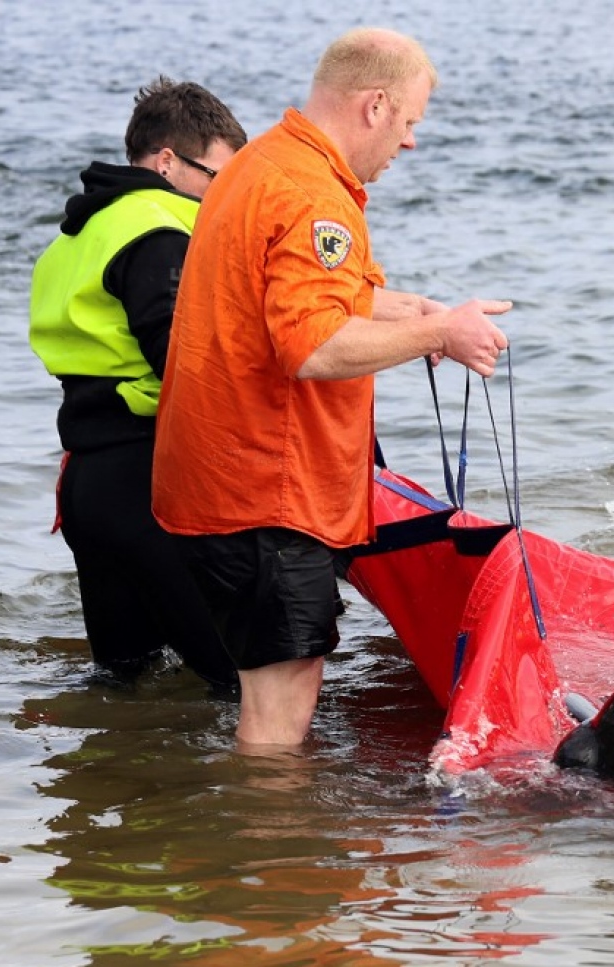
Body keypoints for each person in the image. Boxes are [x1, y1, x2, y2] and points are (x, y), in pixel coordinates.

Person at [152, 28, 511, 749]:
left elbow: (306, 293)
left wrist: (417, 312)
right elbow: (313, 345)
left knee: (275, 688)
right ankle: (281, 850)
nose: (409, 142)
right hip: (265, 496)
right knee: (281, 705)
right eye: (409, 123)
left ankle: (256, 841)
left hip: (221, 488)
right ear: (375, 106)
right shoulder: (312, 193)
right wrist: (438, 338)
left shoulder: (262, 163)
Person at [28, 77, 248, 691]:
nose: (219, 196)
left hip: (87, 489)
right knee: (248, 683)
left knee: (127, 686)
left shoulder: (72, 237)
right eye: (217, 177)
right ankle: (268, 787)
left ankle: (114, 779)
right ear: (168, 161)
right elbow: (184, 361)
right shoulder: (158, 229)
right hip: (148, 485)